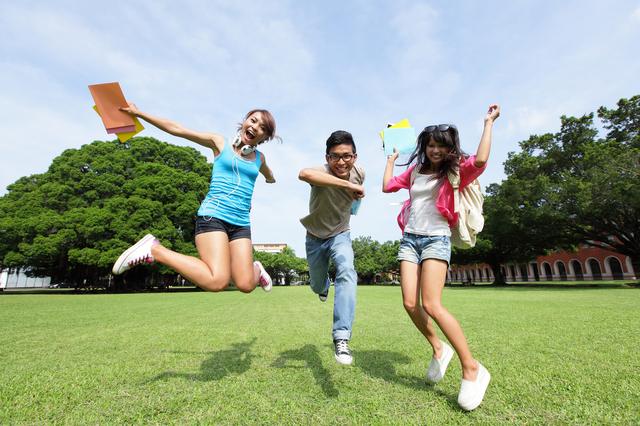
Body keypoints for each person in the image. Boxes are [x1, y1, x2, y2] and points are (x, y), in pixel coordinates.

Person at [382, 104, 500, 411]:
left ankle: (472, 367)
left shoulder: (454, 171)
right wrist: (391, 160)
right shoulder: (415, 171)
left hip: (436, 240)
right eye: (431, 144)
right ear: (424, 146)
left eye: (441, 146)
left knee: (432, 304)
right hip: (409, 239)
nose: (435, 150)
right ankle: (438, 348)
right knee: (410, 303)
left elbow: (483, 159)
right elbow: (386, 187)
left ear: (449, 149)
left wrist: (488, 123)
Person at [111, 103, 277, 294]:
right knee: (217, 282)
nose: (255, 127)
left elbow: (266, 170)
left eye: (262, 128)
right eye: (253, 121)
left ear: (265, 137)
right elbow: (178, 129)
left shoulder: (259, 158)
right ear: (245, 122)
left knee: (246, 285)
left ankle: (256, 267)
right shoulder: (219, 142)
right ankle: (155, 250)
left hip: (241, 223)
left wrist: (270, 177)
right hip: (214, 216)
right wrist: (139, 113)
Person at [298, 130, 365, 365]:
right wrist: (343, 186)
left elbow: (354, 202)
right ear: (327, 158)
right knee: (316, 285)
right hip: (315, 236)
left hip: (341, 233)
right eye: (335, 157)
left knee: (347, 270)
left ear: (355, 157)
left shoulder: (360, 172)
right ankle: (324, 284)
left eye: (347, 156)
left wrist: (355, 199)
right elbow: (303, 173)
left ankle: (341, 337)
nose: (341, 162)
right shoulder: (320, 172)